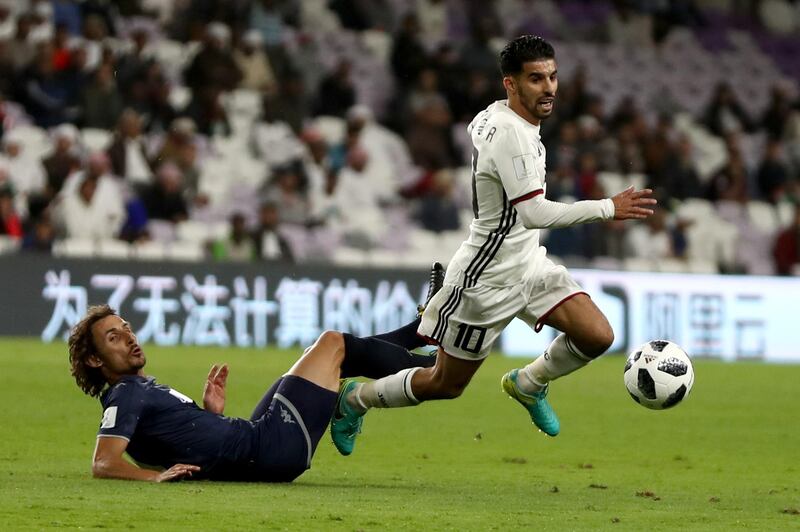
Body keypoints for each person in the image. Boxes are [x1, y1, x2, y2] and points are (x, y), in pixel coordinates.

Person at [331, 35, 656, 455]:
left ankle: (529, 383)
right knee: (443, 383)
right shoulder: (511, 136)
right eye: (536, 79)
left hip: (528, 264)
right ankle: (353, 401)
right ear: (511, 84)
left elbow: (481, 129)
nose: (549, 88)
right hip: (486, 279)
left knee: (597, 335)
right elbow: (535, 215)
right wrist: (607, 208)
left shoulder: (501, 118)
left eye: (553, 77)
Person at [69, 265, 445, 482]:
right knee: (331, 344)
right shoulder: (125, 394)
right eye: (114, 338)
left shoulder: (137, 390)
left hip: (256, 445)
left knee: (320, 358)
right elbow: (104, 462)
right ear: (95, 361)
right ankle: (438, 363)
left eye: (128, 328)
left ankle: (421, 328)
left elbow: (173, 448)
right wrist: (156, 477)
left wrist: (208, 414)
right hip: (268, 449)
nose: (130, 339)